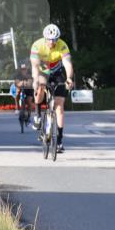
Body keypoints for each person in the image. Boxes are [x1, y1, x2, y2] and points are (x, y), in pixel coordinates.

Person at [30, 24, 74, 152]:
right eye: (49, 39)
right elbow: (34, 66)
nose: (52, 42)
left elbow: (67, 64)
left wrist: (69, 78)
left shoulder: (62, 45)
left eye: (55, 39)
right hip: (42, 70)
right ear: (44, 38)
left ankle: (59, 140)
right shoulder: (37, 45)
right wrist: (35, 81)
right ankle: (37, 115)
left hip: (57, 72)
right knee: (40, 86)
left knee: (59, 105)